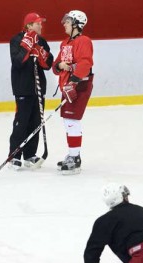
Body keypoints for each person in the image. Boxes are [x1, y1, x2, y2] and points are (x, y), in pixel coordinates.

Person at [9, 12, 53, 170]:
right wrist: (26, 46)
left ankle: (29, 155)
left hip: (39, 89)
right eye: (37, 23)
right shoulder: (16, 40)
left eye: (41, 23)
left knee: (35, 123)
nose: (41, 25)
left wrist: (42, 54)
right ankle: (14, 156)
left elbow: (49, 64)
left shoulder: (41, 41)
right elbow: (17, 62)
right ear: (28, 25)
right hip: (23, 88)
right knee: (21, 123)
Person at [52, 10, 94, 175]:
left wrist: (73, 82)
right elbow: (56, 66)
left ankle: (74, 158)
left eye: (68, 21)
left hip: (79, 86)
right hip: (67, 86)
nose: (64, 23)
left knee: (72, 120)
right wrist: (60, 66)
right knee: (68, 121)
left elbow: (86, 63)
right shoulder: (65, 43)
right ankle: (73, 154)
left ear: (77, 24)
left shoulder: (84, 41)